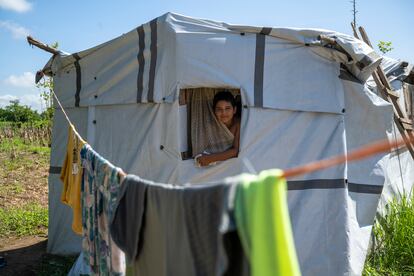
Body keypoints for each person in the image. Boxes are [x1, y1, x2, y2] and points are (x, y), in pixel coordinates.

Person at [197, 91, 240, 167]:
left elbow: (235, 151)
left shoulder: (237, 124)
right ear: (214, 111)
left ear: (234, 110)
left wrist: (210, 159)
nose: (224, 113)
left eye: (227, 108)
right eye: (219, 109)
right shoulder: (211, 126)